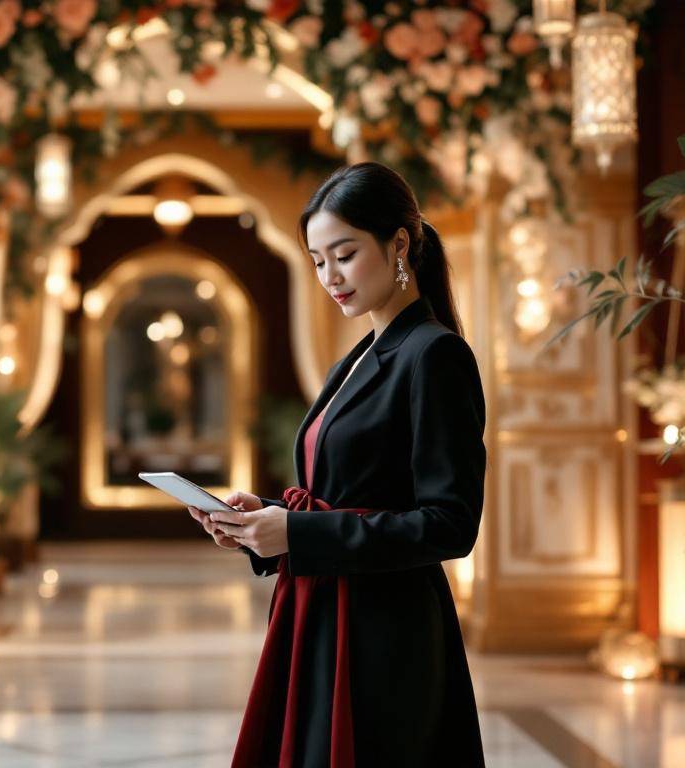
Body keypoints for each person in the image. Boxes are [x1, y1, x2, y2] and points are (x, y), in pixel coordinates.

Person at [187, 162, 487, 767]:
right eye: (318, 262)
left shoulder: (435, 355)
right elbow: (343, 493)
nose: (331, 277)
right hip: (320, 615)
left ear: (398, 243)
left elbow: (450, 524)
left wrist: (296, 532)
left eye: (344, 255)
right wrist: (261, 520)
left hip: (384, 633)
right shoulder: (354, 359)